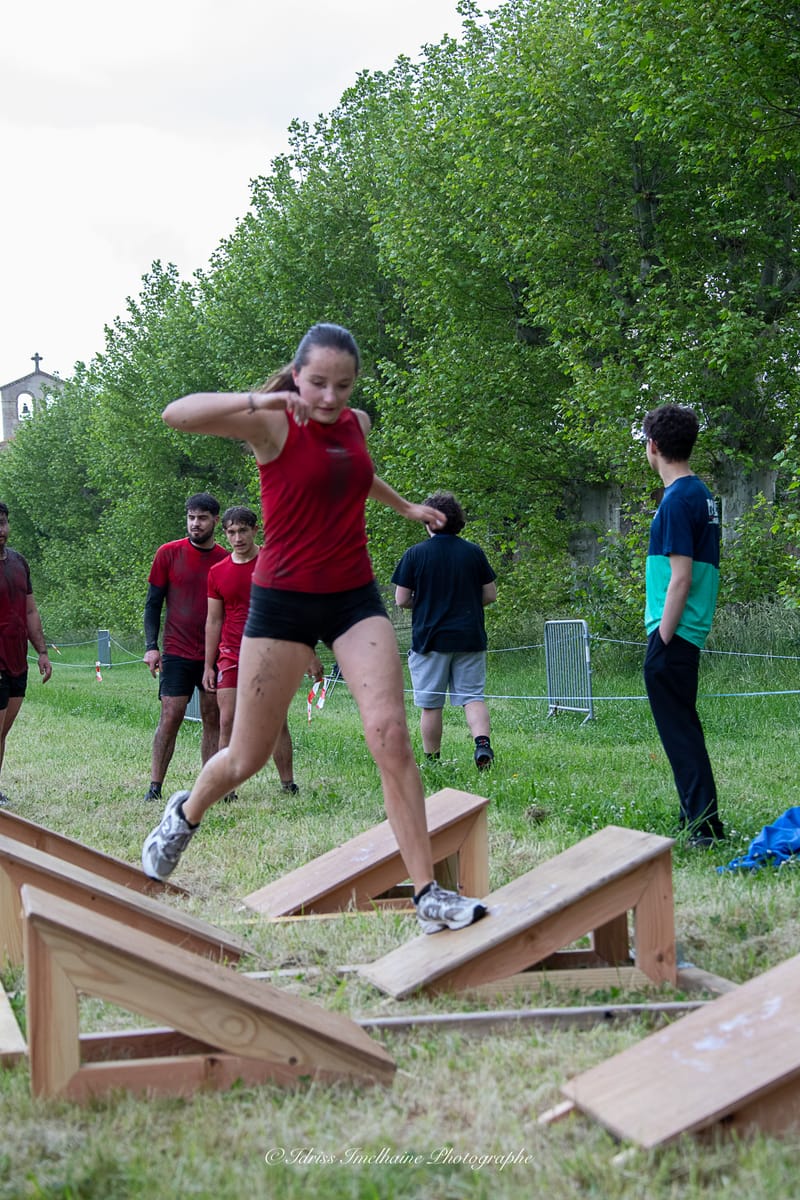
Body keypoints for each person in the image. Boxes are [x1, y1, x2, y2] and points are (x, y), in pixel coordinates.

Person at [142, 322, 488, 935]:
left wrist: (404, 506)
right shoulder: (273, 422)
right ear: (298, 375)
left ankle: (429, 894)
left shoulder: (356, 426)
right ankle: (184, 814)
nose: (331, 398)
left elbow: (352, 474)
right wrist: (264, 400)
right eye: (319, 383)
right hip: (283, 602)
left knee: (390, 735)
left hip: (353, 597)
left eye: (344, 385)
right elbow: (177, 414)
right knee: (245, 755)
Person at [642, 404, 724, 846]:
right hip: (690, 629)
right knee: (683, 727)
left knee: (679, 732)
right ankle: (693, 815)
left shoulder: (676, 500)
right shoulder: (701, 494)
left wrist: (663, 636)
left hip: (674, 630)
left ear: (653, 447)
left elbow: (681, 578)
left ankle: (705, 827)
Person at [204, 504, 318, 798]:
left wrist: (308, 652)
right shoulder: (217, 572)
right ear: (225, 533)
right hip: (231, 653)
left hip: (271, 652)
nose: (238, 537)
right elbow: (214, 619)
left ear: (256, 530)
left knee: (274, 719)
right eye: (231, 532)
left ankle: (287, 784)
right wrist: (208, 665)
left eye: (243, 530)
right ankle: (226, 787)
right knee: (226, 719)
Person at [392, 491, 497, 768]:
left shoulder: (415, 554)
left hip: (430, 639)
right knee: (472, 696)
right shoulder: (473, 552)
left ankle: (433, 760)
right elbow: (490, 594)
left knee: (431, 704)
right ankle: (482, 745)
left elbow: (401, 599)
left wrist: (424, 602)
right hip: (469, 636)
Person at [142, 493, 228, 802]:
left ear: (215, 520)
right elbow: (152, 605)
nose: (196, 523)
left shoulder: (225, 559)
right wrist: (151, 647)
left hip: (214, 653)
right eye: (191, 517)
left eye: (202, 518)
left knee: (213, 717)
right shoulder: (168, 553)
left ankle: (213, 787)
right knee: (171, 714)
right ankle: (155, 786)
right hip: (176, 650)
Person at [0, 501, 52, 807]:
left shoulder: (19, 562)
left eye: (3, 523)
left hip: (18, 657)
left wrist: (42, 651)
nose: (0, 530)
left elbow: (30, 610)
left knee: (3, 731)